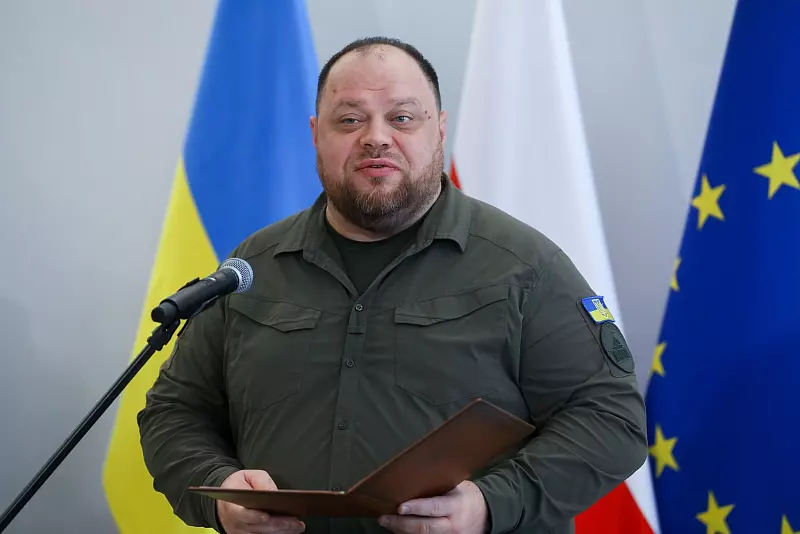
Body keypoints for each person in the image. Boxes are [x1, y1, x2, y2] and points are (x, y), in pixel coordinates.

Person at [138, 36, 648, 534]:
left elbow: (612, 419)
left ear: (439, 130)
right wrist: (219, 491)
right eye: (350, 120)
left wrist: (490, 505)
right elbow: (174, 412)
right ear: (316, 133)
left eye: (402, 117)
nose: (375, 137)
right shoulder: (253, 267)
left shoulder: (523, 265)